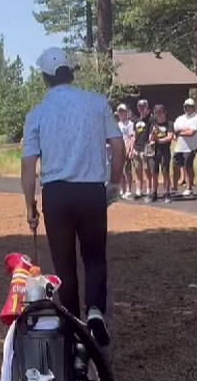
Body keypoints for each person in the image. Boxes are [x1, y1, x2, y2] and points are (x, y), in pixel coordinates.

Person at [22, 47, 123, 347]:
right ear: (71, 72)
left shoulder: (37, 113)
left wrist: (30, 204)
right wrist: (113, 184)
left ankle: (72, 327)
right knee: (94, 257)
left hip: (56, 193)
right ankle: (94, 311)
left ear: (44, 77)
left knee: (64, 264)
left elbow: (28, 165)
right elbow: (118, 148)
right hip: (91, 189)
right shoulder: (96, 103)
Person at [172, 97, 197, 197]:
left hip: (191, 147)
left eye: (189, 106)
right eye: (186, 106)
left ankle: (189, 187)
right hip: (179, 147)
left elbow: (191, 133)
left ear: (194, 107)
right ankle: (174, 187)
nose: (187, 108)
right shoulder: (180, 118)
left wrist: (180, 132)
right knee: (175, 166)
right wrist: (183, 131)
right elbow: (174, 130)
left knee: (188, 166)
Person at [149, 104, 174, 204]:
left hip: (165, 151)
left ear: (164, 113)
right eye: (156, 113)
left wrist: (159, 140)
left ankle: (167, 193)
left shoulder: (169, 124)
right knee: (154, 173)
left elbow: (170, 137)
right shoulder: (153, 125)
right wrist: (154, 134)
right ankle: (154, 192)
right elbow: (150, 138)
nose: (158, 114)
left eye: (160, 112)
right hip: (155, 151)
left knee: (165, 172)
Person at [133, 99, 153, 201]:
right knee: (137, 170)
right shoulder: (136, 121)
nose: (141, 108)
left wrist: (148, 147)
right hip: (137, 148)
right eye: (139, 106)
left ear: (147, 107)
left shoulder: (150, 120)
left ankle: (149, 190)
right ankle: (138, 190)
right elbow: (134, 136)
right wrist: (132, 148)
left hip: (146, 148)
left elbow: (151, 135)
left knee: (147, 170)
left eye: (143, 106)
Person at [115, 103, 135, 199]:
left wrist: (130, 149)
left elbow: (131, 137)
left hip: (126, 149)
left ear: (126, 112)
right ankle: (122, 189)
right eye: (120, 112)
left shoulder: (130, 124)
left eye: (123, 111)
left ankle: (129, 189)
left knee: (127, 170)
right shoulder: (117, 125)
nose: (121, 114)